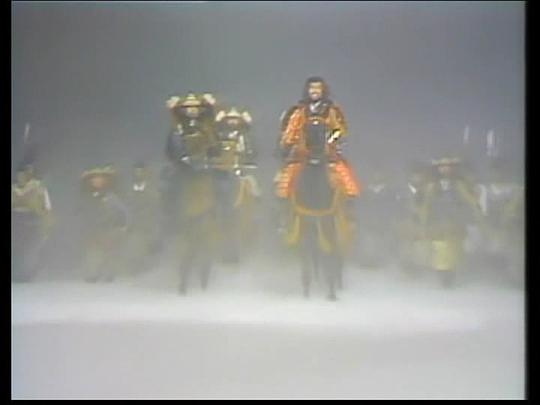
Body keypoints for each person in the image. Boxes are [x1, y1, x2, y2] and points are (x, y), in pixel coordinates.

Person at [419, 157, 484, 287]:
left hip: (455, 222)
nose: (445, 169)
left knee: (454, 247)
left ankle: (451, 273)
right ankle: (442, 273)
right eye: (442, 166)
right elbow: (426, 205)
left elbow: (470, 201)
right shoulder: (432, 185)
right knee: (439, 247)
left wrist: (476, 214)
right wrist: (424, 222)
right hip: (437, 222)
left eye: (448, 166)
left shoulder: (459, 184)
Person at [79, 165, 130, 282]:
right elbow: (82, 212)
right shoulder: (86, 196)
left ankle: (109, 273)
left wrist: (123, 225)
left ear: (105, 180)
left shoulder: (111, 196)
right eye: (94, 179)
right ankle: (92, 274)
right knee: (93, 252)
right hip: (92, 229)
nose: (97, 181)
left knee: (109, 252)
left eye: (100, 178)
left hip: (109, 229)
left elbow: (123, 211)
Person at [12, 163, 53, 281]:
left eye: (26, 173)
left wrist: (46, 227)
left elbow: (47, 209)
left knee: (30, 250)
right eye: (20, 174)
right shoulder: (13, 189)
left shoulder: (39, 189)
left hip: (33, 224)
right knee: (16, 250)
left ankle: (27, 274)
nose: (22, 176)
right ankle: (16, 273)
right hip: (15, 224)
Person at [124, 161, 161, 274]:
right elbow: (126, 203)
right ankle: (134, 266)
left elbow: (156, 202)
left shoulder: (152, 186)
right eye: (136, 171)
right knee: (133, 243)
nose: (139, 173)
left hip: (149, 221)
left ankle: (148, 265)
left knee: (148, 242)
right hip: (134, 221)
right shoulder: (129, 187)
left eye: (141, 171)